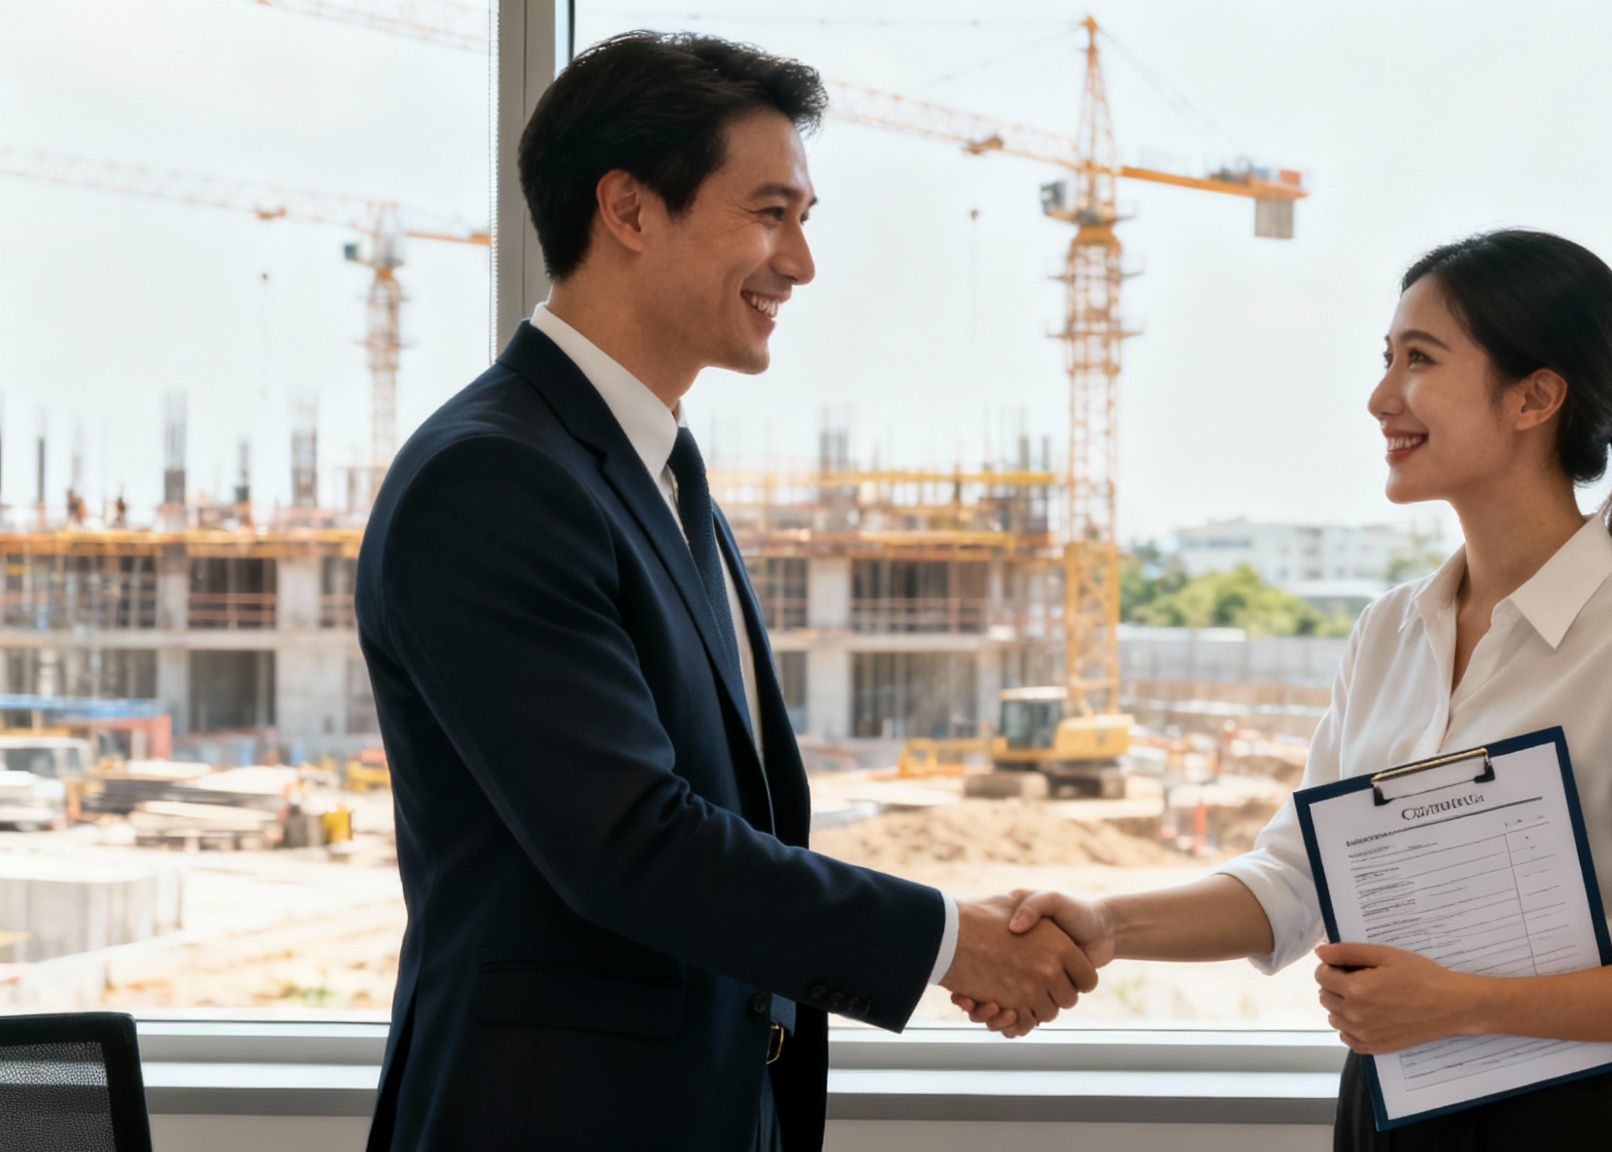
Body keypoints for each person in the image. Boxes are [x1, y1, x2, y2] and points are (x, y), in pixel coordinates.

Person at [356, 32, 1097, 1152]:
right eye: (768, 212)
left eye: (803, 219)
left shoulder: (654, 468)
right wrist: (950, 939)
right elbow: (632, 843)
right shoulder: (495, 476)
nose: (797, 262)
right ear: (629, 209)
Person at [956, 230, 1612, 1151]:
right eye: (1386, 359)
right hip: (1382, 1111)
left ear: (1535, 396)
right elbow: (1297, 879)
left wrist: (1464, 1005)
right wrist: (1106, 920)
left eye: (1419, 360)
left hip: (1565, 1129)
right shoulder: (1390, 632)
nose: (1381, 397)